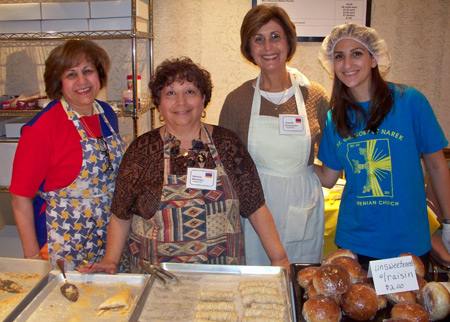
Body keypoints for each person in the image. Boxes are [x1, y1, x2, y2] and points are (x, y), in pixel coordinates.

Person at [77, 57, 290, 274]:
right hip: (155, 279)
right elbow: (121, 213)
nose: (181, 102)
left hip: (220, 279)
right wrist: (111, 261)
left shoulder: (227, 144)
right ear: (159, 103)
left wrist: (279, 258)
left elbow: (256, 206)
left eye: (190, 92)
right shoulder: (142, 150)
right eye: (170, 93)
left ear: (203, 98)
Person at [315, 23, 450, 270]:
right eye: (339, 56)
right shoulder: (336, 117)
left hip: (408, 243)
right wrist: (288, 164)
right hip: (355, 244)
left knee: (408, 309)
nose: (347, 64)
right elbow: (327, 177)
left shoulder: (410, 102)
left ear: (374, 58)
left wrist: (449, 222)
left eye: (357, 53)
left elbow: (437, 165)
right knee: (362, 307)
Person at [219, 4, 330, 265]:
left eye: (275, 36)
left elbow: (332, 155)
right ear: (249, 48)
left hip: (303, 203)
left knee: (299, 279)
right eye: (258, 39)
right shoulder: (237, 101)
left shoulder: (314, 96)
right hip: (254, 206)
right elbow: (226, 168)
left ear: (289, 41)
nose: (268, 47)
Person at [10, 40, 125, 270]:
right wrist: (33, 262)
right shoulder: (42, 128)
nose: (82, 81)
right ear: (59, 82)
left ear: (99, 75)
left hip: (110, 240)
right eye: (71, 74)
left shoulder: (107, 114)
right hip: (63, 244)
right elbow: (20, 198)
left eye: (88, 71)